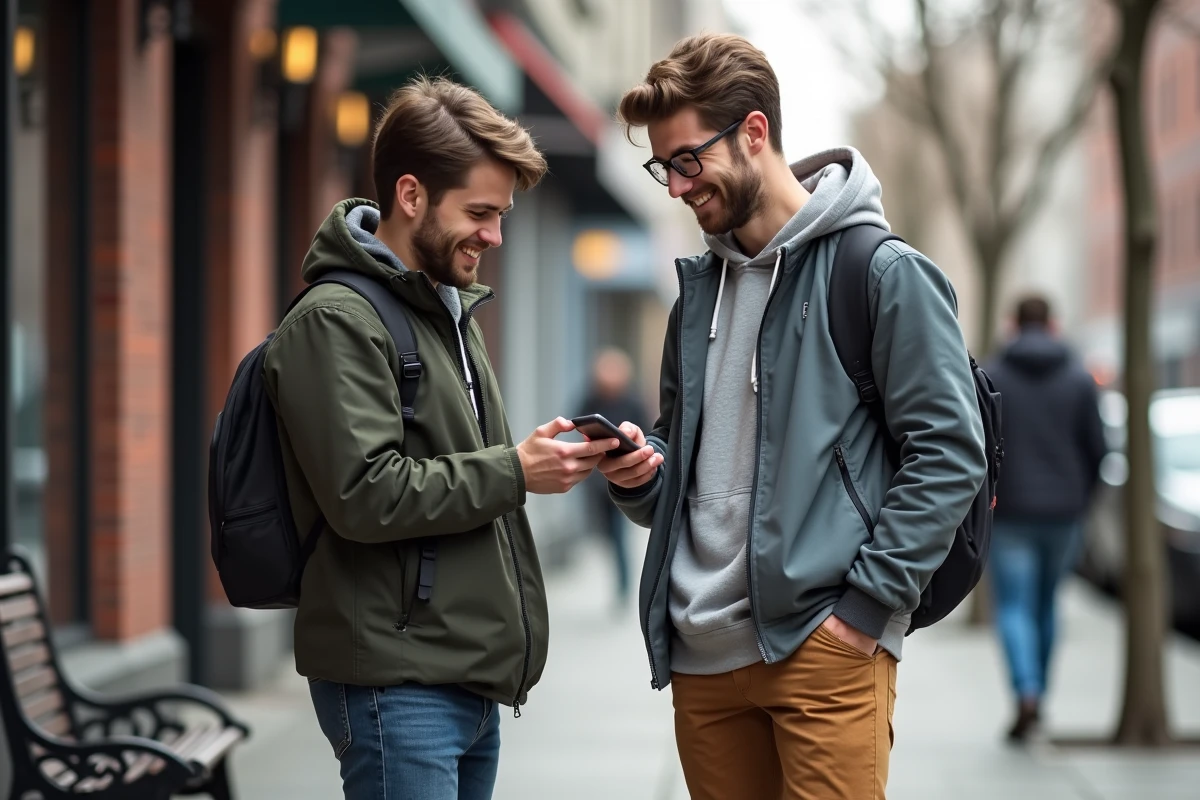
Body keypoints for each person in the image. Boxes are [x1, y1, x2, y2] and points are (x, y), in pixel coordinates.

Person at [597, 33, 988, 799]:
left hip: (823, 651)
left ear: (754, 133)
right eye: (662, 166)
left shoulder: (880, 272)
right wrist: (641, 473)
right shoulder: (695, 297)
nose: (674, 187)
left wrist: (866, 608)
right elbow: (684, 463)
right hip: (701, 661)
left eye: (687, 161)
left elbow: (950, 452)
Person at [263, 76, 620, 800]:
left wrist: (531, 457)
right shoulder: (336, 321)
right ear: (411, 195)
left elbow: (449, 464)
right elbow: (365, 493)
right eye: (480, 213)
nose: (494, 235)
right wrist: (515, 470)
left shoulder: (443, 311)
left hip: (459, 677)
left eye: (502, 215)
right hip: (397, 685)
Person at [983, 294, 1107, 742]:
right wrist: (1082, 498)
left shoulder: (992, 376)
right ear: (1053, 325)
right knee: (1047, 604)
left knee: (1013, 606)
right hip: (1064, 514)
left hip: (1010, 512)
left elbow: (979, 446)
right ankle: (1040, 694)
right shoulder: (1079, 378)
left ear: (1012, 324)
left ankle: (1027, 691)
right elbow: (1098, 449)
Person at [574, 348, 649, 610]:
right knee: (606, 535)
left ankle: (624, 586)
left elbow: (646, 433)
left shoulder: (632, 402)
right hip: (597, 481)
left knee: (618, 535)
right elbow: (577, 422)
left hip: (622, 478)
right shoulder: (591, 399)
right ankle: (620, 581)